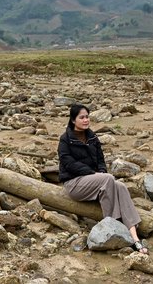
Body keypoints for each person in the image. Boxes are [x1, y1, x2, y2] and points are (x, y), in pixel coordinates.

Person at [58, 104, 148, 254]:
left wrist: (100, 172)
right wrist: (93, 174)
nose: (86, 120)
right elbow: (68, 163)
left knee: (120, 186)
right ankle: (111, 228)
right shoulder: (65, 139)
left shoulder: (92, 137)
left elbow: (100, 160)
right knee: (108, 179)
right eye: (82, 117)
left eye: (87, 117)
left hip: (95, 182)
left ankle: (134, 236)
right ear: (73, 120)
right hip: (74, 183)